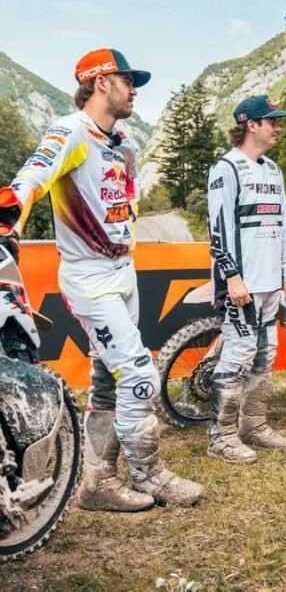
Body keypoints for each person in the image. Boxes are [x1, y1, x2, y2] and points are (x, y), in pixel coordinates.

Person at [0, 49, 203, 511]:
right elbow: (32, 176)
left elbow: (125, 202)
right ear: (101, 83)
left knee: (109, 379)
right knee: (139, 373)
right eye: (127, 81)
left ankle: (96, 482)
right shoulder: (70, 130)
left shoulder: (125, 145)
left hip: (123, 270)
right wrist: (9, 218)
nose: (135, 91)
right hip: (88, 275)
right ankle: (149, 474)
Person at [206, 95, 286, 463]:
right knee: (237, 355)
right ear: (251, 125)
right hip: (241, 284)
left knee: (265, 355)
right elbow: (219, 228)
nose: (278, 127)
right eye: (272, 121)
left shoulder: (273, 169)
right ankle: (221, 438)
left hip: (270, 284)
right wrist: (231, 275)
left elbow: (283, 226)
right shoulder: (226, 168)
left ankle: (254, 425)